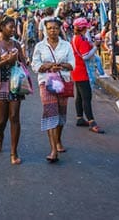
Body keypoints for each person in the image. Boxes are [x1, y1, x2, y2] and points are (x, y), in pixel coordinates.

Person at [0, 15, 28, 165]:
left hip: (15, 83)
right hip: (0, 83)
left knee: (15, 116)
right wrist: (6, 61)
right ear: (1, 27)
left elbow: (24, 63)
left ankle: (13, 152)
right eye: (10, 27)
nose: (13, 31)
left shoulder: (16, 44)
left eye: (14, 27)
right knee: (1, 119)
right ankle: (0, 136)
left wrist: (19, 58)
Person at [31, 17, 75, 162]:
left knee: (61, 113)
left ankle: (58, 139)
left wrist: (61, 65)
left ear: (59, 29)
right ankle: (53, 150)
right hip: (46, 82)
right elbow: (35, 65)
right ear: (45, 30)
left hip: (62, 81)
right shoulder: (40, 46)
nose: (52, 31)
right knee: (50, 112)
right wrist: (47, 66)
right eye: (49, 28)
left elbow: (72, 64)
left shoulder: (66, 45)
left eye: (55, 28)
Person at [71, 17, 105, 134]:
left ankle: (79, 118)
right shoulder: (81, 40)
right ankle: (92, 122)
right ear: (84, 28)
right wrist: (95, 46)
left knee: (79, 96)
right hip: (82, 71)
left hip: (76, 70)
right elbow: (85, 56)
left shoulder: (77, 37)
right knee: (86, 96)